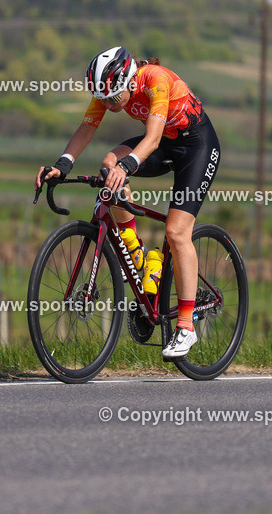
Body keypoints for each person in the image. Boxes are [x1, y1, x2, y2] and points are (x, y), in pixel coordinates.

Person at [35, 46, 221, 359]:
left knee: (177, 232)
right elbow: (87, 127)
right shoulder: (107, 87)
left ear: (128, 82)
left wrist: (129, 166)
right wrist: (63, 164)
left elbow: (153, 137)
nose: (107, 104)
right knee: (108, 164)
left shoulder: (155, 80)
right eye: (103, 100)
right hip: (163, 146)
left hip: (196, 147)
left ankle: (186, 327)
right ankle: (134, 249)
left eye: (112, 99)